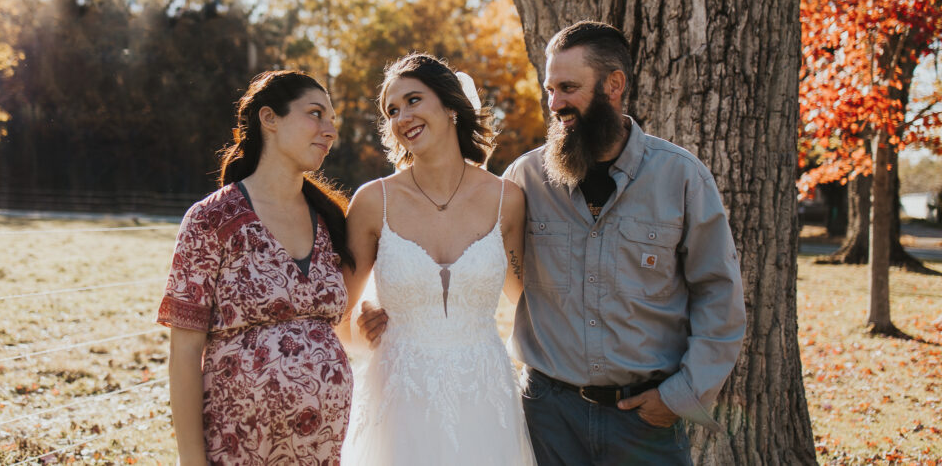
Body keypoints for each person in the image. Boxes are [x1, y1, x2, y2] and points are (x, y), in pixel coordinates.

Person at [359, 23, 746, 465]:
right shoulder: (524, 181)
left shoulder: (681, 177)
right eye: (549, 89)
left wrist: (681, 396)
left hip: (645, 419)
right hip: (548, 419)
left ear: (613, 85)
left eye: (568, 88)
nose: (556, 103)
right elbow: (484, 270)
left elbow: (719, 293)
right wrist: (380, 304)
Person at [341, 53, 536, 466]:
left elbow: (526, 301)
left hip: (484, 398)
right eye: (392, 110)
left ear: (450, 105)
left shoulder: (508, 200)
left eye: (413, 100)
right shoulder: (373, 202)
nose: (401, 116)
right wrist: (361, 328)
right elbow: (337, 315)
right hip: (398, 400)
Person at [157, 71, 355, 466]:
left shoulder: (332, 220)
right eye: (316, 114)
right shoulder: (211, 219)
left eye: (332, 120)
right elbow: (184, 350)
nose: (329, 130)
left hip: (323, 447)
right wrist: (191, 462)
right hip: (240, 445)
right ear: (270, 118)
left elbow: (344, 320)